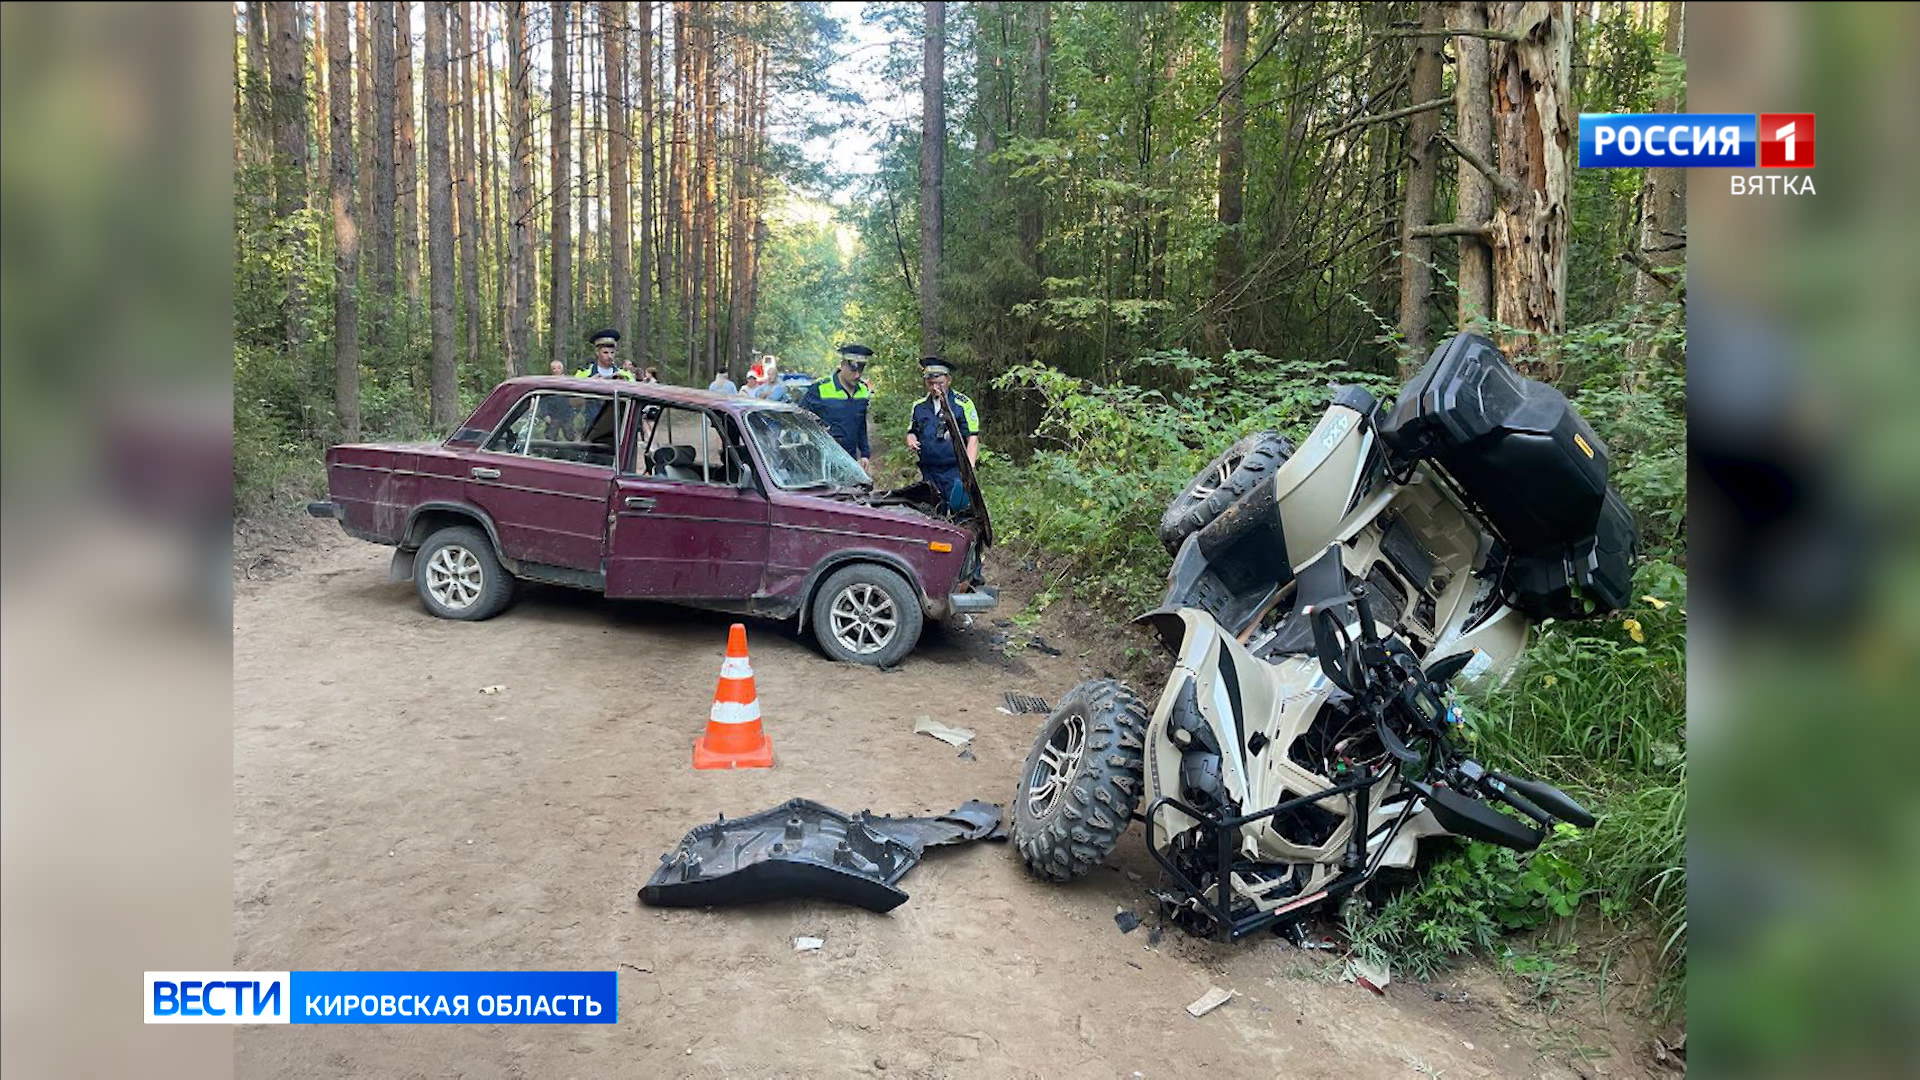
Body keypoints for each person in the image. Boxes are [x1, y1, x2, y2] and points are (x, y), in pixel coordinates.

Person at [905, 355, 980, 512]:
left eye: (939, 383)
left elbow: (972, 437)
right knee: (932, 511)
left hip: (954, 470)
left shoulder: (962, 404)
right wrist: (911, 439)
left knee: (958, 511)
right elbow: (912, 431)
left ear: (949, 380)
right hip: (929, 470)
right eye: (930, 383)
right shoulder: (919, 407)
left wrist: (969, 470)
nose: (935, 387)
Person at [801, 344, 874, 473]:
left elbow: (861, 424)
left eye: (861, 370)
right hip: (822, 461)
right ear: (842, 365)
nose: (857, 375)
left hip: (850, 460)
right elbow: (800, 419)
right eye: (853, 370)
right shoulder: (820, 389)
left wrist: (864, 454)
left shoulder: (863, 390)